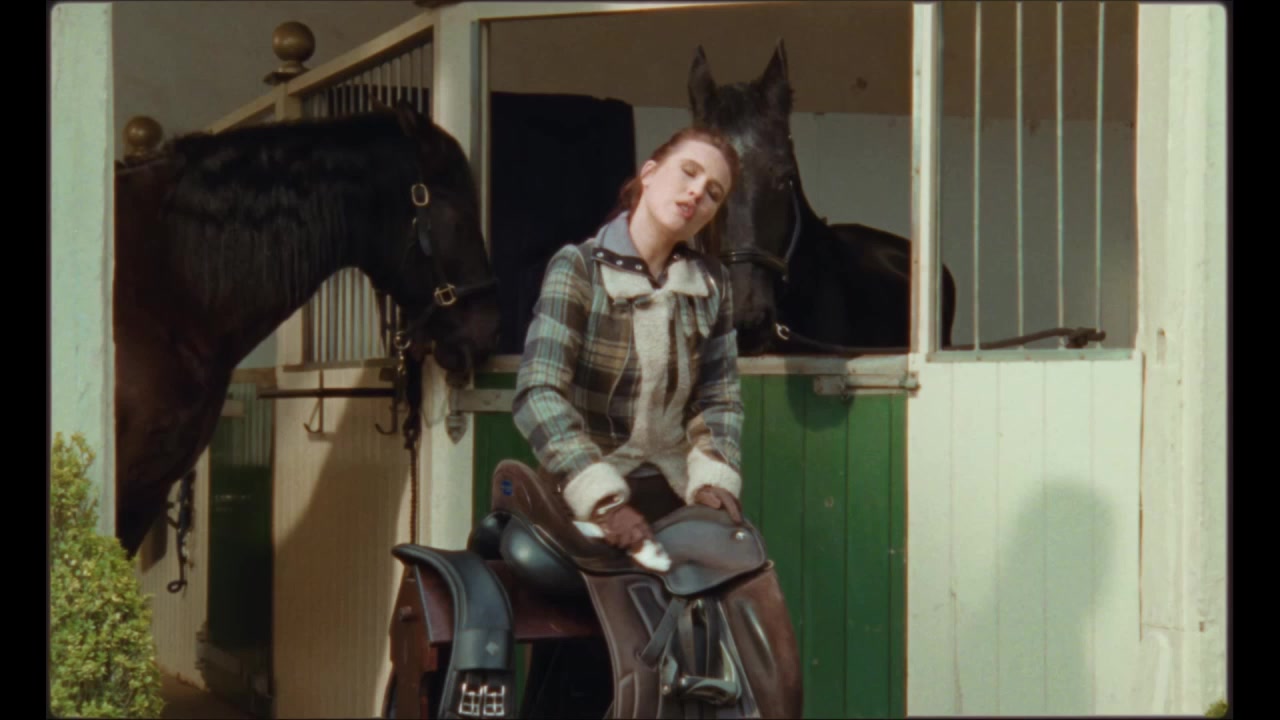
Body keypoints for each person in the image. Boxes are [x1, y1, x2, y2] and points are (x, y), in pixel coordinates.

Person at [511, 126, 746, 565]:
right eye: (688, 172)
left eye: (713, 193)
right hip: (582, 487)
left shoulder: (712, 284)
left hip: (676, 490)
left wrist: (713, 478)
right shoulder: (579, 267)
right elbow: (538, 392)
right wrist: (601, 499)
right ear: (649, 173)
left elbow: (720, 399)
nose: (697, 192)